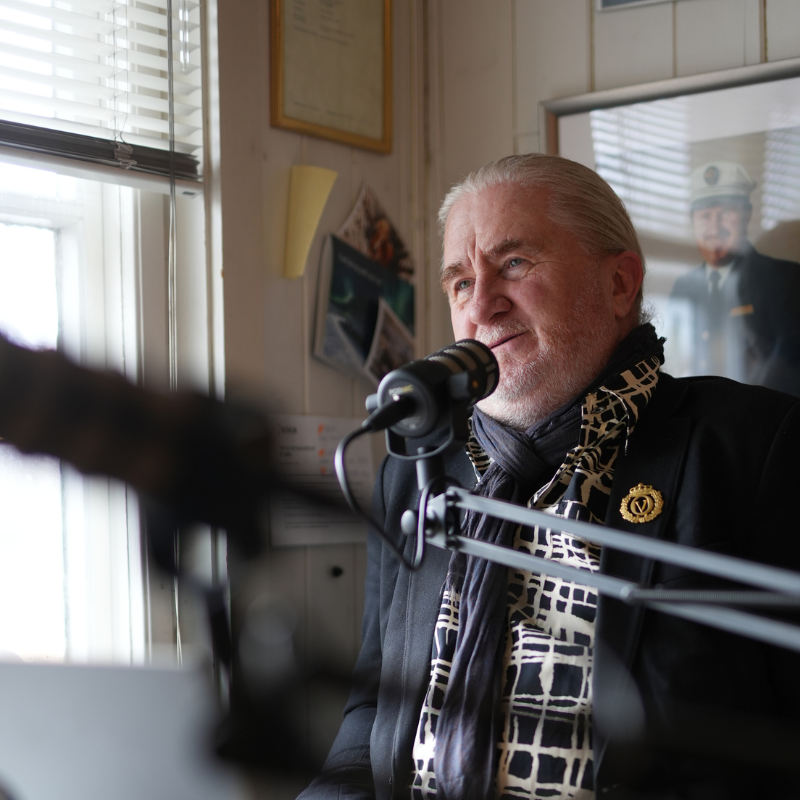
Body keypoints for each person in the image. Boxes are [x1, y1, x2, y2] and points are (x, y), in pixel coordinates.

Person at [298, 154, 800, 800]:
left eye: (514, 264)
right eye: (460, 283)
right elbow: (373, 710)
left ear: (620, 284)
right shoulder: (418, 471)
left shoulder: (754, 445)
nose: (483, 306)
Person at [670, 161, 800, 394]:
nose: (714, 228)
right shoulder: (683, 287)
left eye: (726, 213)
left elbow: (787, 368)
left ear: (747, 215)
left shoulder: (783, 278)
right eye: (704, 216)